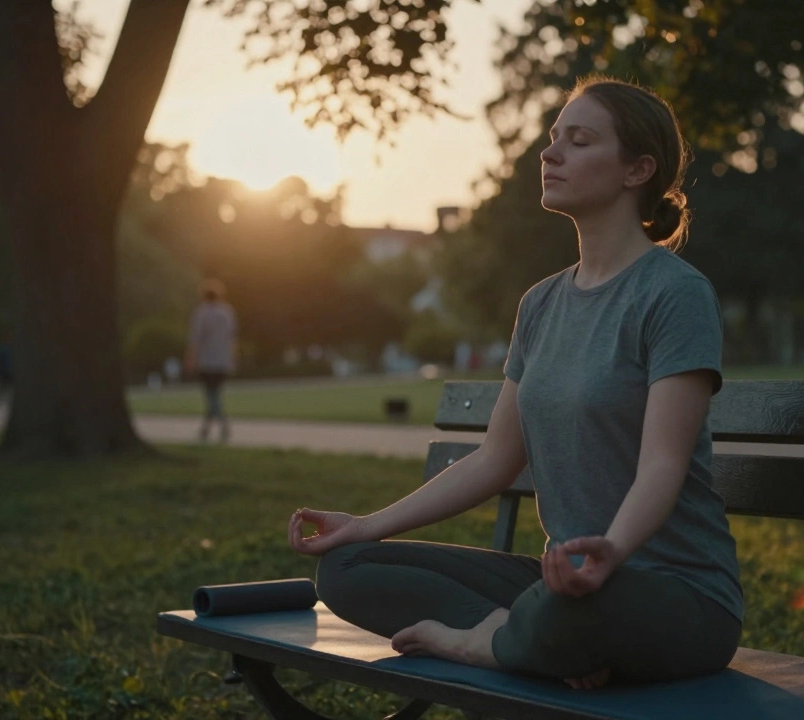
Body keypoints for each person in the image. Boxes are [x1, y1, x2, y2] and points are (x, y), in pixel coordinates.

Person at [289, 77, 742, 691]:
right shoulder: (541, 304)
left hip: (675, 591)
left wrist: (609, 549)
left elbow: (662, 465)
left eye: (578, 142)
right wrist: (365, 524)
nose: (549, 154)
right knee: (348, 569)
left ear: (638, 169)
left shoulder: (674, 294)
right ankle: (527, 639)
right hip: (564, 580)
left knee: (569, 610)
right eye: (554, 139)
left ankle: (487, 644)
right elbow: (496, 460)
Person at [186, 279, 238, 442]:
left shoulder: (201, 314)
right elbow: (232, 339)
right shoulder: (228, 313)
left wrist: (190, 359)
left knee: (211, 396)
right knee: (214, 395)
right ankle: (206, 429)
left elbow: (195, 340)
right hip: (223, 360)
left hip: (207, 361)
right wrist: (233, 358)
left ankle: (221, 426)